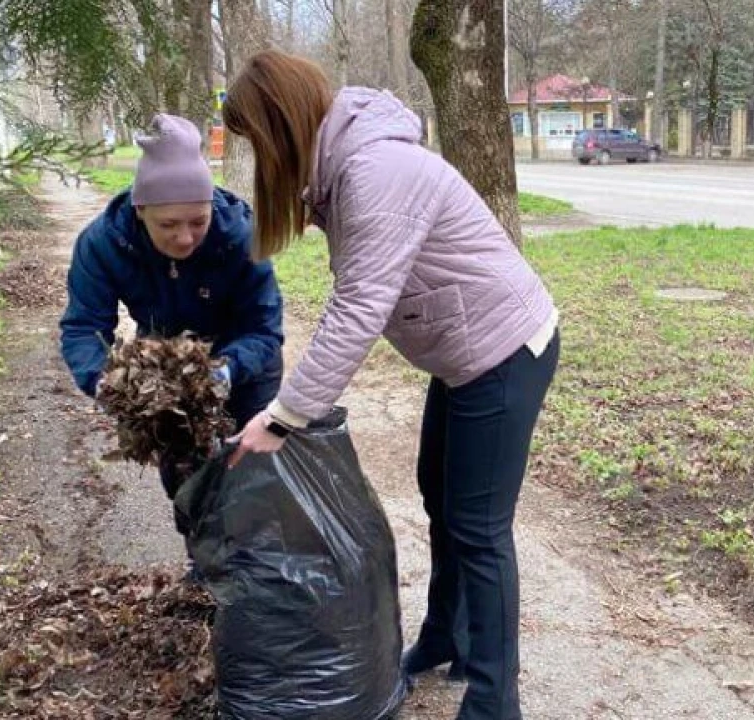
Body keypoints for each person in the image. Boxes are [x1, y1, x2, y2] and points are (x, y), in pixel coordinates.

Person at [223, 50, 559, 720]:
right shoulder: (343, 169)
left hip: (504, 352)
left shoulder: (376, 170)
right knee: (442, 501)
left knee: (480, 529)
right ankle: (446, 638)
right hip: (465, 359)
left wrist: (285, 416)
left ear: (282, 123)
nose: (258, 155)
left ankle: (496, 702)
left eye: (257, 139)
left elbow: (358, 307)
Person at [59, 113, 285, 533]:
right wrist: (104, 383)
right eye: (169, 225)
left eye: (198, 222)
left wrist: (225, 371)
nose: (185, 238)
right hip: (165, 366)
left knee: (256, 479)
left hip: (243, 360)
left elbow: (264, 329)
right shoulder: (104, 243)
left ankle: (260, 578)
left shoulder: (238, 235)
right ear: (140, 208)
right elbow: (83, 329)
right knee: (186, 481)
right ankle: (204, 566)